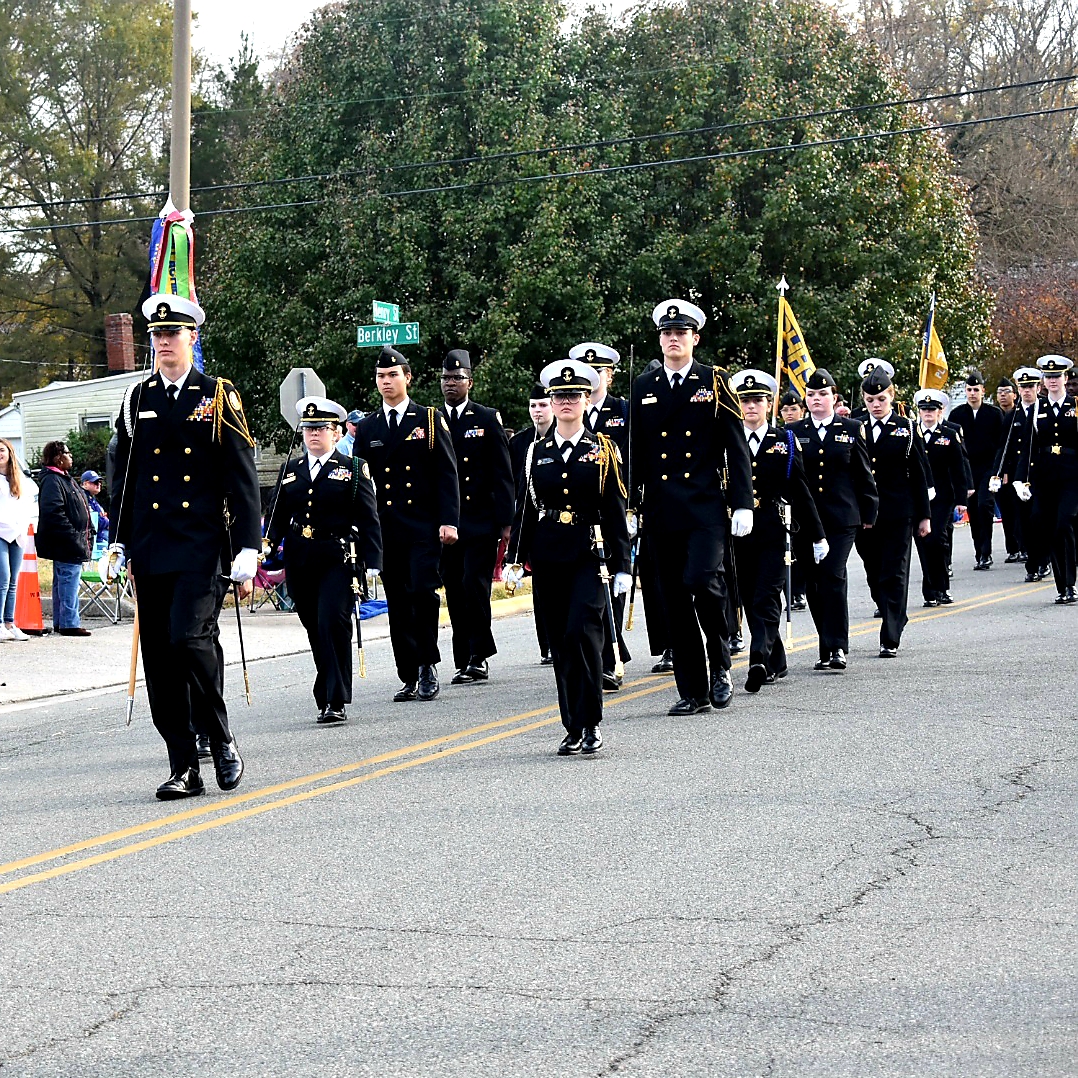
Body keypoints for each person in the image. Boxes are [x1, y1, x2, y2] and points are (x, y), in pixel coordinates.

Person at [109, 293, 261, 800]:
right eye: (156, 335)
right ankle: (182, 765)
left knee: (188, 639)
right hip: (151, 547)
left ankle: (219, 737)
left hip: (200, 546)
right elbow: (124, 479)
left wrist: (248, 545)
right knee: (159, 657)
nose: (163, 342)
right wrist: (117, 540)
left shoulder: (216, 394)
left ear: (193, 339)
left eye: (172, 334)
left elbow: (241, 477)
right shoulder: (137, 399)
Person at [630, 299, 753, 715]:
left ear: (695, 338)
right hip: (662, 511)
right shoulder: (643, 386)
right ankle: (692, 690)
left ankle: (720, 663)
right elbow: (636, 455)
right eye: (667, 334)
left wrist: (743, 503)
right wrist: (631, 507)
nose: (673, 339)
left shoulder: (713, 381)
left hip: (704, 508)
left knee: (703, 581)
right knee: (675, 600)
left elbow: (736, 449)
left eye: (681, 333)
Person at [507, 359, 630, 755]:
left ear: (584, 399)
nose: (565, 402)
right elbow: (526, 507)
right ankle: (572, 726)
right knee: (560, 642)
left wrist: (623, 565)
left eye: (573, 396)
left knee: (584, 634)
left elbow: (614, 511)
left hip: (587, 554)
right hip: (547, 556)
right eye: (558, 396)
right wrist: (514, 559)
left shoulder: (603, 450)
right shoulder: (535, 452)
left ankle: (591, 721)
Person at [353, 344, 459, 701]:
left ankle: (428, 664)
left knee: (423, 593)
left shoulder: (427, 420)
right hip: (385, 529)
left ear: (407, 378)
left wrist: (449, 521)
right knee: (397, 601)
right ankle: (408, 672)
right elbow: (360, 485)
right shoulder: (367, 428)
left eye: (393, 375)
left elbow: (447, 474)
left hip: (423, 527)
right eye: (381, 376)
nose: (386, 382)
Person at [267, 396, 381, 723]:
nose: (314, 435)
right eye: (309, 429)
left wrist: (374, 561)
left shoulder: (352, 469)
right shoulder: (292, 471)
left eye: (321, 429)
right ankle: (327, 686)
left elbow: (369, 517)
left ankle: (335, 698)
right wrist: (266, 545)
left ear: (335, 432)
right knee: (315, 628)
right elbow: (276, 514)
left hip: (337, 557)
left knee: (333, 623)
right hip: (301, 560)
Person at [729, 370, 826, 690]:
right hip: (737, 533)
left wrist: (817, 534)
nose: (751, 406)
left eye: (757, 400)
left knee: (766, 596)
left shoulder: (783, 440)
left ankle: (758, 659)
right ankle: (777, 659)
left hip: (772, 529)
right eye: (745, 400)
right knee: (747, 594)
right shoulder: (728, 440)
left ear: (769, 404)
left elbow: (800, 489)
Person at [788, 369, 878, 670]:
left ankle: (838, 646)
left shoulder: (851, 428)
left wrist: (869, 511)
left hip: (842, 517)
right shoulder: (794, 432)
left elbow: (863, 474)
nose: (817, 399)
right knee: (813, 581)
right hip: (806, 519)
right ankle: (824, 645)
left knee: (832, 575)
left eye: (823, 395)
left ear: (833, 398)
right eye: (811, 395)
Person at [436, 349, 515, 684]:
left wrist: (507, 522)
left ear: (470, 381)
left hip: (480, 519)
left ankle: (479, 655)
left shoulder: (485, 418)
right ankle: (463, 656)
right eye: (446, 378)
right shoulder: (432, 419)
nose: (451, 384)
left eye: (457, 378)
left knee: (474, 584)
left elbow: (502, 473)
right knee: (453, 588)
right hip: (445, 519)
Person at [853, 366, 931, 657]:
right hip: (866, 514)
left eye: (881, 399)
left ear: (892, 396)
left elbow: (919, 473)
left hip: (899, 511)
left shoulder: (906, 428)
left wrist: (924, 515)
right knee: (874, 572)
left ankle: (891, 633)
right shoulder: (855, 427)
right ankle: (891, 610)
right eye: (871, 400)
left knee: (894, 573)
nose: (876, 405)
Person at [569, 341, 632, 688]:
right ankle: (608, 650)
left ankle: (609, 656)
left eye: (599, 372)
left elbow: (636, 460)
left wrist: (634, 506)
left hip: (617, 510)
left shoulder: (624, 411)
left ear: (609, 375)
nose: (592, 378)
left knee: (615, 579)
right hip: (580, 514)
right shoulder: (568, 411)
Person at [1012, 354, 1078, 604]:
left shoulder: (1076, 405)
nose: (1052, 381)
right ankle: (1062, 587)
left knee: (1064, 524)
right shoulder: (1038, 408)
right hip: (1045, 476)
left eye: (1057, 376)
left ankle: (1070, 584)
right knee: (1047, 526)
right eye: (1048, 377)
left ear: (1066, 378)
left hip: (1072, 476)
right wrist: (1021, 478)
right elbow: (1027, 446)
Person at [508, 384, 555, 664]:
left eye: (542, 405)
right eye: (533, 406)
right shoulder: (520, 443)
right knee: (540, 588)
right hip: (529, 519)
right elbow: (517, 489)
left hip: (555, 517)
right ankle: (546, 644)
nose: (537, 411)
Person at [914, 388, 967, 606]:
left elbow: (959, 468)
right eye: (924, 409)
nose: (927, 413)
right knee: (923, 543)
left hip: (943, 497)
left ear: (940, 411)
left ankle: (941, 587)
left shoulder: (948, 435)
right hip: (918, 496)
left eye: (932, 410)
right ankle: (930, 591)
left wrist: (962, 499)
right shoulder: (911, 433)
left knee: (937, 539)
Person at [35, 440, 92, 637]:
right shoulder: (53, 480)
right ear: (58, 458)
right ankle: (69, 622)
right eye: (67, 453)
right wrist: (73, 535)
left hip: (70, 540)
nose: (71, 456)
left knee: (63, 582)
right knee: (69, 581)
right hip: (66, 542)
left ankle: (62, 621)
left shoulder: (64, 478)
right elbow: (53, 511)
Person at [948, 370, 1005, 569]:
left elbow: (1001, 445)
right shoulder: (957, 415)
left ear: (983, 391)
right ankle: (979, 551)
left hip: (988, 468)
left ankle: (986, 552)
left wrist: (999, 471)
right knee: (972, 510)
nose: (972, 393)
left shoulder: (994, 414)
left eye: (976, 389)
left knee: (984, 506)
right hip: (967, 470)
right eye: (969, 389)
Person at [999, 367, 1050, 582]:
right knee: (1023, 521)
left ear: (1038, 388)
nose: (1026, 391)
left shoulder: (1044, 410)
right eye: (1023, 387)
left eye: (1030, 387)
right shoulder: (1013, 416)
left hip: (1042, 473)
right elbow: (1005, 447)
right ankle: (1031, 563)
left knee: (1040, 518)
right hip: (1019, 475)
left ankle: (1043, 561)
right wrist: (1002, 473)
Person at [0, 438, 33, 641]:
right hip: (1, 533)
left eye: (2, 450)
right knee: (3, 578)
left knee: (14, 580)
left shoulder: (19, 479)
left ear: (10, 453)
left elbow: (27, 504)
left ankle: (10, 622)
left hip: (17, 533)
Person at [992, 376, 1024, 563]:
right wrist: (1000, 472)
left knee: (1021, 510)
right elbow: (1000, 446)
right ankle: (1012, 547)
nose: (1003, 396)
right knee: (1007, 511)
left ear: (1014, 394)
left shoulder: (1019, 414)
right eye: (1000, 393)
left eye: (1007, 392)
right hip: (1004, 470)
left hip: (1020, 468)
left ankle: (1024, 546)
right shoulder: (996, 416)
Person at [80, 470, 110, 547]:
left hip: (100, 537)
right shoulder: (83, 498)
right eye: (95, 482)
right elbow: (95, 521)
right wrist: (106, 521)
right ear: (85, 484)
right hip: (94, 541)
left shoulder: (91, 499)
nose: (99, 484)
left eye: (100, 482)